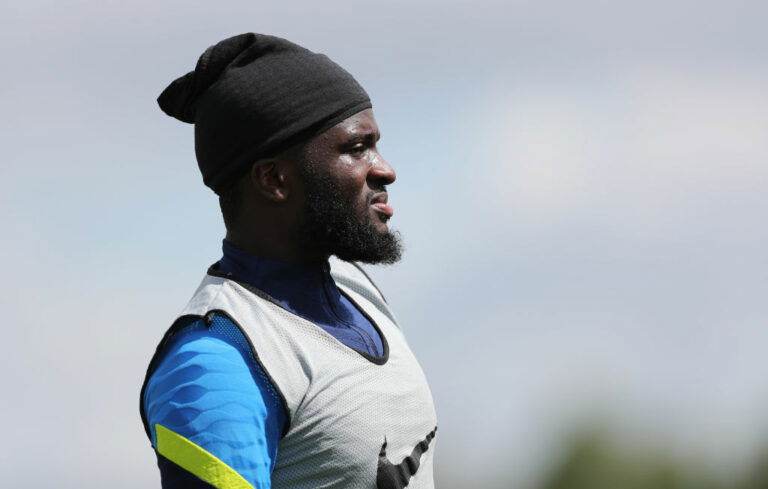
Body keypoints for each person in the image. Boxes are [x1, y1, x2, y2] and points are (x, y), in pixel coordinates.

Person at [139, 33, 437, 489]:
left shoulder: (353, 287)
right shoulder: (216, 361)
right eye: (357, 147)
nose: (385, 169)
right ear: (275, 179)